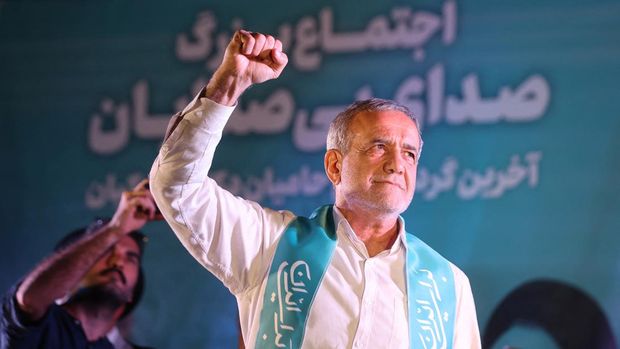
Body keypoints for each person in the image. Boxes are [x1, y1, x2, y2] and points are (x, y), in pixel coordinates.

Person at [149, 30, 481, 348]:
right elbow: (177, 187)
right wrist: (228, 84)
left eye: (409, 153)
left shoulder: (447, 284)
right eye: (378, 147)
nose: (397, 164)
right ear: (335, 166)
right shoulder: (268, 244)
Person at [1, 180, 159, 349]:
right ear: (73, 272)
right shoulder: (41, 328)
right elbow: (29, 301)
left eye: (130, 258)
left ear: (132, 295)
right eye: (105, 251)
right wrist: (116, 229)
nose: (117, 261)